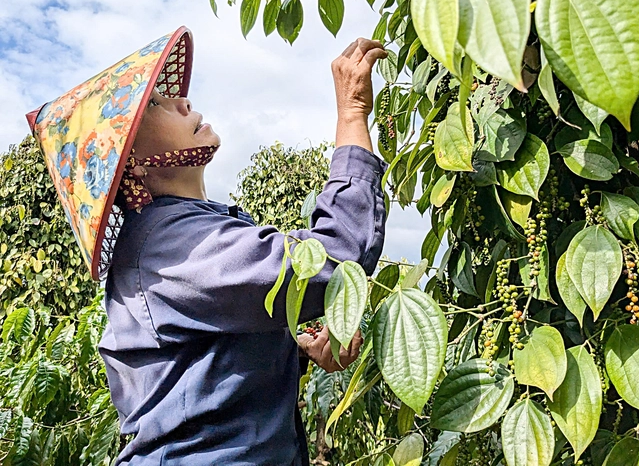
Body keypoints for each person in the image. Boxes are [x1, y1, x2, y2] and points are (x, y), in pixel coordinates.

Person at [26, 29, 388, 465]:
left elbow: (206, 365)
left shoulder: (188, 230)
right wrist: (351, 115)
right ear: (131, 163)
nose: (183, 102)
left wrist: (297, 348)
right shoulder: (171, 246)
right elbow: (336, 255)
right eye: (156, 105)